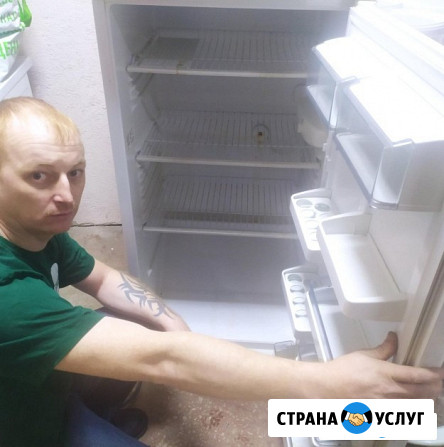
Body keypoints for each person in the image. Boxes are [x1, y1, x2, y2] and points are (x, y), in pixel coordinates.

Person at [0, 97, 442, 447]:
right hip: (24, 429)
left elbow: (103, 279)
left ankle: (93, 414)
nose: (67, 195)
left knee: (136, 321)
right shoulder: (9, 298)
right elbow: (165, 360)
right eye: (39, 176)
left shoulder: (37, 230)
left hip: (36, 382)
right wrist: (324, 382)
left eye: (75, 172)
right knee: (144, 352)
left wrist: (171, 323)